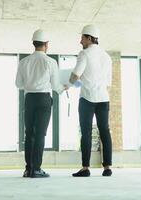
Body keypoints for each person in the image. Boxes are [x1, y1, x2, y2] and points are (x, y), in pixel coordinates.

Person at [16, 29, 67, 178]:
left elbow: (18, 84)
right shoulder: (51, 62)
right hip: (44, 99)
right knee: (40, 135)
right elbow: (56, 85)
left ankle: (28, 169)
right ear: (46, 44)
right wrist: (64, 88)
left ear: (34, 43)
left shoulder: (23, 62)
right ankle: (37, 169)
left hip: (29, 99)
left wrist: (30, 84)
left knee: (29, 133)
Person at [69, 24, 113, 177]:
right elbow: (108, 82)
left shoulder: (84, 54)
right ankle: (107, 167)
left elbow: (75, 75)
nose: (80, 41)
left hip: (87, 98)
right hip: (103, 98)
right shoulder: (107, 56)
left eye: (82, 37)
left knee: (86, 132)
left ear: (89, 38)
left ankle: (85, 168)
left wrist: (73, 82)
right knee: (105, 132)